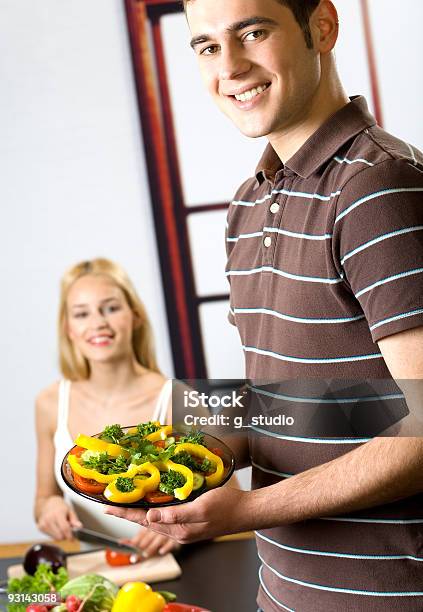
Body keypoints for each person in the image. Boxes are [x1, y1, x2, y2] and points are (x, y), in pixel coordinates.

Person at [106, 1, 423, 610]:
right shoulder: (248, 203)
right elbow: (288, 402)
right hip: (283, 592)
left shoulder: (377, 187)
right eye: (206, 47)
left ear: (322, 27)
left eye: (253, 32)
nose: (230, 66)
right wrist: (182, 461)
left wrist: (245, 509)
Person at [34, 257, 178, 558]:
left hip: (175, 567)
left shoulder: (175, 397)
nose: (98, 322)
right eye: (81, 314)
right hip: (96, 574)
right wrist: (50, 507)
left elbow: (222, 504)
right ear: (68, 328)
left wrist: (180, 532)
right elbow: (44, 497)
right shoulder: (49, 403)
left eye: (111, 308)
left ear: (135, 316)